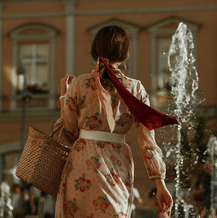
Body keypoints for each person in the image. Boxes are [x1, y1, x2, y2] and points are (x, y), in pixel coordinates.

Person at [55, 25, 174, 217]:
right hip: (117, 165)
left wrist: (64, 96)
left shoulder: (77, 85)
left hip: (81, 164)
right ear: (124, 54)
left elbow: (68, 134)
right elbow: (148, 142)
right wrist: (160, 183)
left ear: (95, 51)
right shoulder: (135, 89)